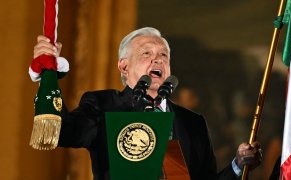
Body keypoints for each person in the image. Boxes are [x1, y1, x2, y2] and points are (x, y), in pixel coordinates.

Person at [30, 27, 262, 180]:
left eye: (164, 55)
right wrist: (47, 76)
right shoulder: (104, 105)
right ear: (123, 66)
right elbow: (63, 131)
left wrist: (237, 165)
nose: (157, 58)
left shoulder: (192, 122)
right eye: (146, 53)